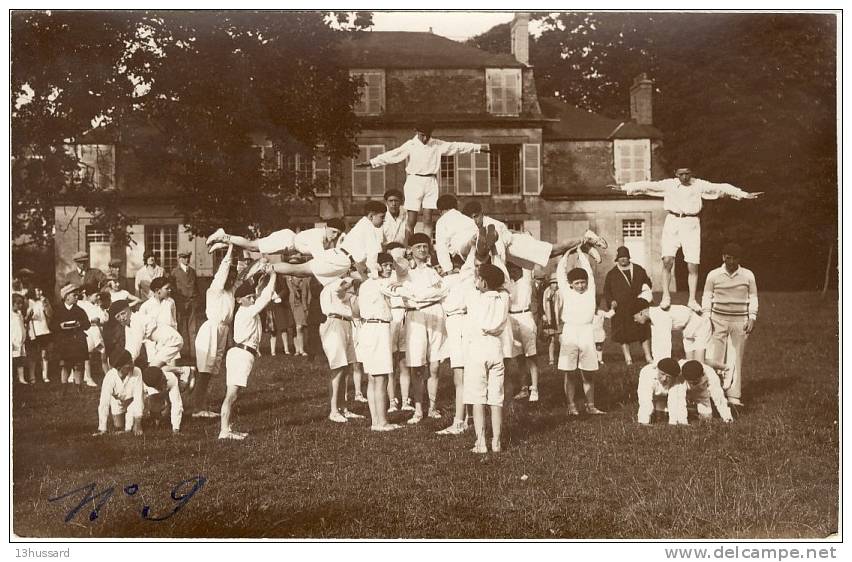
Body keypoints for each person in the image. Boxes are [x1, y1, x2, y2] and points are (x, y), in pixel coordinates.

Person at [610, 168, 762, 311]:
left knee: (692, 265)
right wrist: (625, 187)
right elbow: (648, 186)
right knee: (667, 260)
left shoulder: (699, 185)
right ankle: (666, 296)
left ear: (691, 173)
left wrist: (743, 194)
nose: (684, 177)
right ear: (676, 173)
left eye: (687, 173)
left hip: (691, 224)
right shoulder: (668, 184)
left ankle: (692, 300)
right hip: (672, 222)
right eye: (681, 174)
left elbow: (720, 187)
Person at [356, 120, 487, 238]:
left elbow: (457, 146)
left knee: (428, 218)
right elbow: (393, 155)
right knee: (411, 219)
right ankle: (409, 248)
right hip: (414, 182)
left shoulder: (437, 144)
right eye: (422, 135)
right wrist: (372, 162)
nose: (424, 138)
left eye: (427, 135)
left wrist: (478, 148)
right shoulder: (411, 145)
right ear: (416, 132)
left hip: (431, 181)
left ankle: (427, 245)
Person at [462, 201, 607, 270]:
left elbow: (501, 247)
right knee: (554, 253)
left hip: (517, 246)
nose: (475, 220)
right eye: (471, 218)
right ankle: (584, 246)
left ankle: (587, 237)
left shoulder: (490, 224)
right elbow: (509, 231)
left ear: (482, 214)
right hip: (515, 249)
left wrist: (501, 268)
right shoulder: (477, 229)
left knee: (554, 250)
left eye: (476, 216)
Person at [395, 233, 446, 424]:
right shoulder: (404, 270)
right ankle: (418, 409)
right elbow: (397, 262)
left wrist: (425, 296)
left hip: (435, 315)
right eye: (418, 247)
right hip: (415, 317)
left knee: (435, 365)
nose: (423, 250)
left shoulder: (434, 270)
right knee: (417, 366)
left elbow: (442, 291)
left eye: (425, 246)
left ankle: (432, 408)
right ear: (411, 250)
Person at [218, 271, 276, 440]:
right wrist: (274, 275)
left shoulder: (247, 309)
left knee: (234, 394)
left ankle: (227, 428)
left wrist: (262, 278)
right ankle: (224, 430)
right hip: (241, 355)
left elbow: (260, 293)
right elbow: (265, 297)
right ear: (239, 300)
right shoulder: (246, 311)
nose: (253, 300)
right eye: (249, 297)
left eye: (252, 297)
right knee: (231, 394)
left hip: (242, 354)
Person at [702, 242, 758, 408]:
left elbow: (753, 297)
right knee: (714, 358)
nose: (731, 262)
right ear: (723, 257)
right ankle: (713, 393)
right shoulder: (713, 275)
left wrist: (752, 317)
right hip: (717, 320)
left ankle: (733, 396)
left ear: (740, 259)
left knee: (735, 358)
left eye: (735, 259)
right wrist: (707, 317)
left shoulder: (748, 275)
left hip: (739, 322)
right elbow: (707, 296)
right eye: (728, 258)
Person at [462, 263, 510, 453]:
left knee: (477, 397)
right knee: (496, 398)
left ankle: (481, 442)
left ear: (482, 282)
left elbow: (467, 277)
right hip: (496, 348)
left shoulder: (475, 298)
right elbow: (502, 279)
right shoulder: (505, 297)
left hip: (478, 348)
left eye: (478, 278)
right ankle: (496, 442)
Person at [354, 252, 404, 431]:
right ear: (376, 267)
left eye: (391, 265)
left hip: (368, 329)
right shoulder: (379, 283)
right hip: (378, 329)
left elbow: (356, 310)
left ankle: (376, 421)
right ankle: (382, 422)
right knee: (381, 378)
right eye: (385, 265)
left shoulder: (365, 285)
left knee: (373, 378)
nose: (389, 268)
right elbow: (401, 286)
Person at [556, 248, 605, 416]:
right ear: (571, 284)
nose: (581, 285)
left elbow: (589, 272)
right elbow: (560, 274)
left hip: (586, 332)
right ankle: (571, 405)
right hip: (570, 331)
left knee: (588, 371)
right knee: (569, 371)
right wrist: (567, 254)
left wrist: (580, 252)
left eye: (582, 282)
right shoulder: (566, 290)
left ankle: (590, 405)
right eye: (577, 283)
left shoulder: (590, 290)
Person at [192, 244, 237, 418]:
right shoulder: (215, 289)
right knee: (204, 370)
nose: (231, 280)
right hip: (210, 330)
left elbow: (243, 274)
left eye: (233, 278)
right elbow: (224, 269)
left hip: (223, 331)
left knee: (210, 371)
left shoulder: (230, 291)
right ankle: (197, 407)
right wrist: (231, 249)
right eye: (229, 278)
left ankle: (199, 404)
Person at [319, 276, 364, 423]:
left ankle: (343, 408)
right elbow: (342, 288)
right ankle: (333, 411)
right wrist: (352, 280)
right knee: (337, 367)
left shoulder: (340, 283)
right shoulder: (331, 284)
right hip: (334, 323)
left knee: (346, 368)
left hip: (346, 324)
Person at [435, 253, 469, 435]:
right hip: (464, 322)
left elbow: (427, 295)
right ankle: (467, 417)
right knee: (466, 373)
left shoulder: (448, 280)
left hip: (457, 324)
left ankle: (459, 421)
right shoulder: (469, 278)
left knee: (460, 375)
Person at [602, 246, 653, 365]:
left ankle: (648, 356)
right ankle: (628, 358)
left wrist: (645, 291)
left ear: (629, 258)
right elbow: (607, 291)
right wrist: (611, 301)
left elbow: (647, 282)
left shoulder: (638, 269)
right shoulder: (612, 274)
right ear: (617, 259)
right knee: (623, 334)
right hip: (621, 308)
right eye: (620, 257)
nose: (623, 259)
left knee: (643, 331)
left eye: (625, 257)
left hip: (638, 306)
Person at [631, 298, 716, 366]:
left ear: (641, 313)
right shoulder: (653, 319)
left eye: (634, 317)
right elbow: (656, 342)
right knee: (690, 365)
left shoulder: (659, 315)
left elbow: (666, 343)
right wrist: (655, 362)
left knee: (699, 365)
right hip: (687, 331)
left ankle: (725, 368)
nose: (635, 320)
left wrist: (663, 366)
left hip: (700, 325)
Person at [507, 262, 541, 403]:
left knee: (531, 356)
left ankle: (535, 389)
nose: (513, 272)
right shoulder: (507, 283)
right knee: (519, 356)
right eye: (510, 269)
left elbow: (527, 261)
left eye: (515, 268)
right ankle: (524, 388)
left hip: (525, 316)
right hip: (511, 318)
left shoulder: (526, 279)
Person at [93, 349, 144, 436]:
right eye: (129, 363)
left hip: (133, 401)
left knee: (130, 428)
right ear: (119, 368)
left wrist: (138, 423)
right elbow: (104, 403)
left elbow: (138, 398)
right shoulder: (110, 377)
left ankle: (132, 422)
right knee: (119, 427)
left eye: (131, 360)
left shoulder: (137, 371)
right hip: (118, 402)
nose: (132, 364)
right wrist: (102, 428)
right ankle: (125, 422)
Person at [51, 283, 91, 388]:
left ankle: (78, 387)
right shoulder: (58, 310)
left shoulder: (80, 310)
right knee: (65, 365)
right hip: (64, 342)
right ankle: (64, 388)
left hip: (78, 341)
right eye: (74, 295)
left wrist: (80, 324)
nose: (77, 297)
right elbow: (52, 325)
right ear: (66, 296)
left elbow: (87, 324)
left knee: (78, 365)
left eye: (77, 295)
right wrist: (60, 326)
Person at [141, 366, 196, 433]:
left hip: (171, 377)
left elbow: (177, 404)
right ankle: (156, 420)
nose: (165, 381)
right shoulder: (144, 387)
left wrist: (176, 428)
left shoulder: (170, 378)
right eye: (162, 382)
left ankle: (188, 370)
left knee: (184, 387)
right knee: (156, 406)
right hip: (154, 388)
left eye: (164, 379)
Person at [171, 250, 200, 361]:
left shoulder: (192, 271)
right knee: (181, 329)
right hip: (181, 304)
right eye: (184, 257)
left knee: (192, 330)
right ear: (180, 258)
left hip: (192, 303)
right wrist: (178, 301)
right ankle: (182, 354)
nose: (187, 259)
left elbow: (196, 287)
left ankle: (194, 354)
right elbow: (172, 289)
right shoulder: (174, 272)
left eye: (188, 257)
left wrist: (196, 300)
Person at [636, 357, 684, 425]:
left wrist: (673, 422)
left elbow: (674, 400)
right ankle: (645, 417)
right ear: (657, 369)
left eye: (668, 377)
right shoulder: (647, 374)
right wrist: (644, 421)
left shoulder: (676, 379)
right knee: (648, 408)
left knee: (663, 417)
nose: (664, 379)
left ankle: (661, 411)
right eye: (662, 374)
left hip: (665, 394)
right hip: (652, 391)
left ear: (674, 377)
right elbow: (645, 399)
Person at [77, 284, 108, 387]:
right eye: (96, 295)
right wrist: (91, 321)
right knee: (87, 355)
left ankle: (108, 376)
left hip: (97, 332)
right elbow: (81, 319)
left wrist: (100, 320)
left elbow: (103, 319)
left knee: (103, 354)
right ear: (88, 295)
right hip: (88, 331)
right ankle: (88, 377)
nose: (98, 297)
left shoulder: (97, 306)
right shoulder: (81, 304)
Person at [25, 286, 52, 384]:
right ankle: (32, 377)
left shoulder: (44, 301)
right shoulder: (28, 302)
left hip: (44, 331)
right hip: (33, 331)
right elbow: (25, 317)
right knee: (33, 354)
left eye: (41, 290)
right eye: (38, 290)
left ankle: (45, 376)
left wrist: (46, 305)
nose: (40, 292)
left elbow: (50, 315)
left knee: (44, 354)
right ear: (33, 291)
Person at [264, 274, 294, 356]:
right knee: (273, 330)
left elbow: (285, 290)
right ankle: (272, 351)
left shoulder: (280, 277)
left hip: (280, 305)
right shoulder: (266, 278)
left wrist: (278, 296)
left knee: (283, 328)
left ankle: (286, 349)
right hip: (271, 306)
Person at [286, 267, 310, 356]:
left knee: (299, 327)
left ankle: (302, 349)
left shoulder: (304, 279)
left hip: (300, 305)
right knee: (294, 328)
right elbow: (290, 291)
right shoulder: (288, 279)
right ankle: (297, 350)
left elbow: (305, 293)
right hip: (292, 305)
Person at [541, 275, 563, 367]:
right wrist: (545, 315)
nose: (555, 285)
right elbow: (543, 303)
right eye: (553, 283)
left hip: (560, 317)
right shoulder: (547, 292)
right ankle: (551, 359)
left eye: (557, 283)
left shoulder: (561, 292)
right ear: (550, 283)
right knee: (552, 339)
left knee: (562, 339)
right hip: (550, 318)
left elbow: (562, 303)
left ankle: (563, 357)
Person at [12, 293, 28, 385]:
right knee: (13, 359)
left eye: (21, 303)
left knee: (20, 360)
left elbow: (21, 325)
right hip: (13, 341)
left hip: (20, 341)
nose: (20, 305)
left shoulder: (19, 313)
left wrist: (27, 319)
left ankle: (21, 378)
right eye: (18, 304)